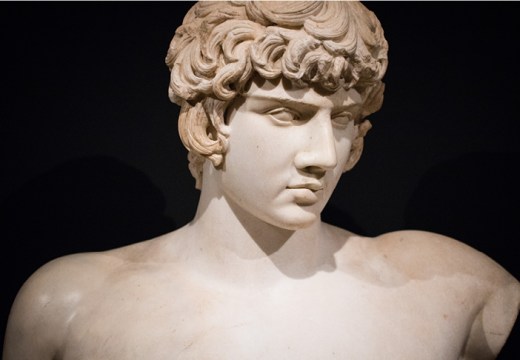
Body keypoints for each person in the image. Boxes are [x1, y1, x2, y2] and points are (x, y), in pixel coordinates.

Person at [3, 1, 519, 359]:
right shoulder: (69, 305)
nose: (323, 155)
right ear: (210, 121)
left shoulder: (447, 289)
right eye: (288, 115)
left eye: (340, 120)